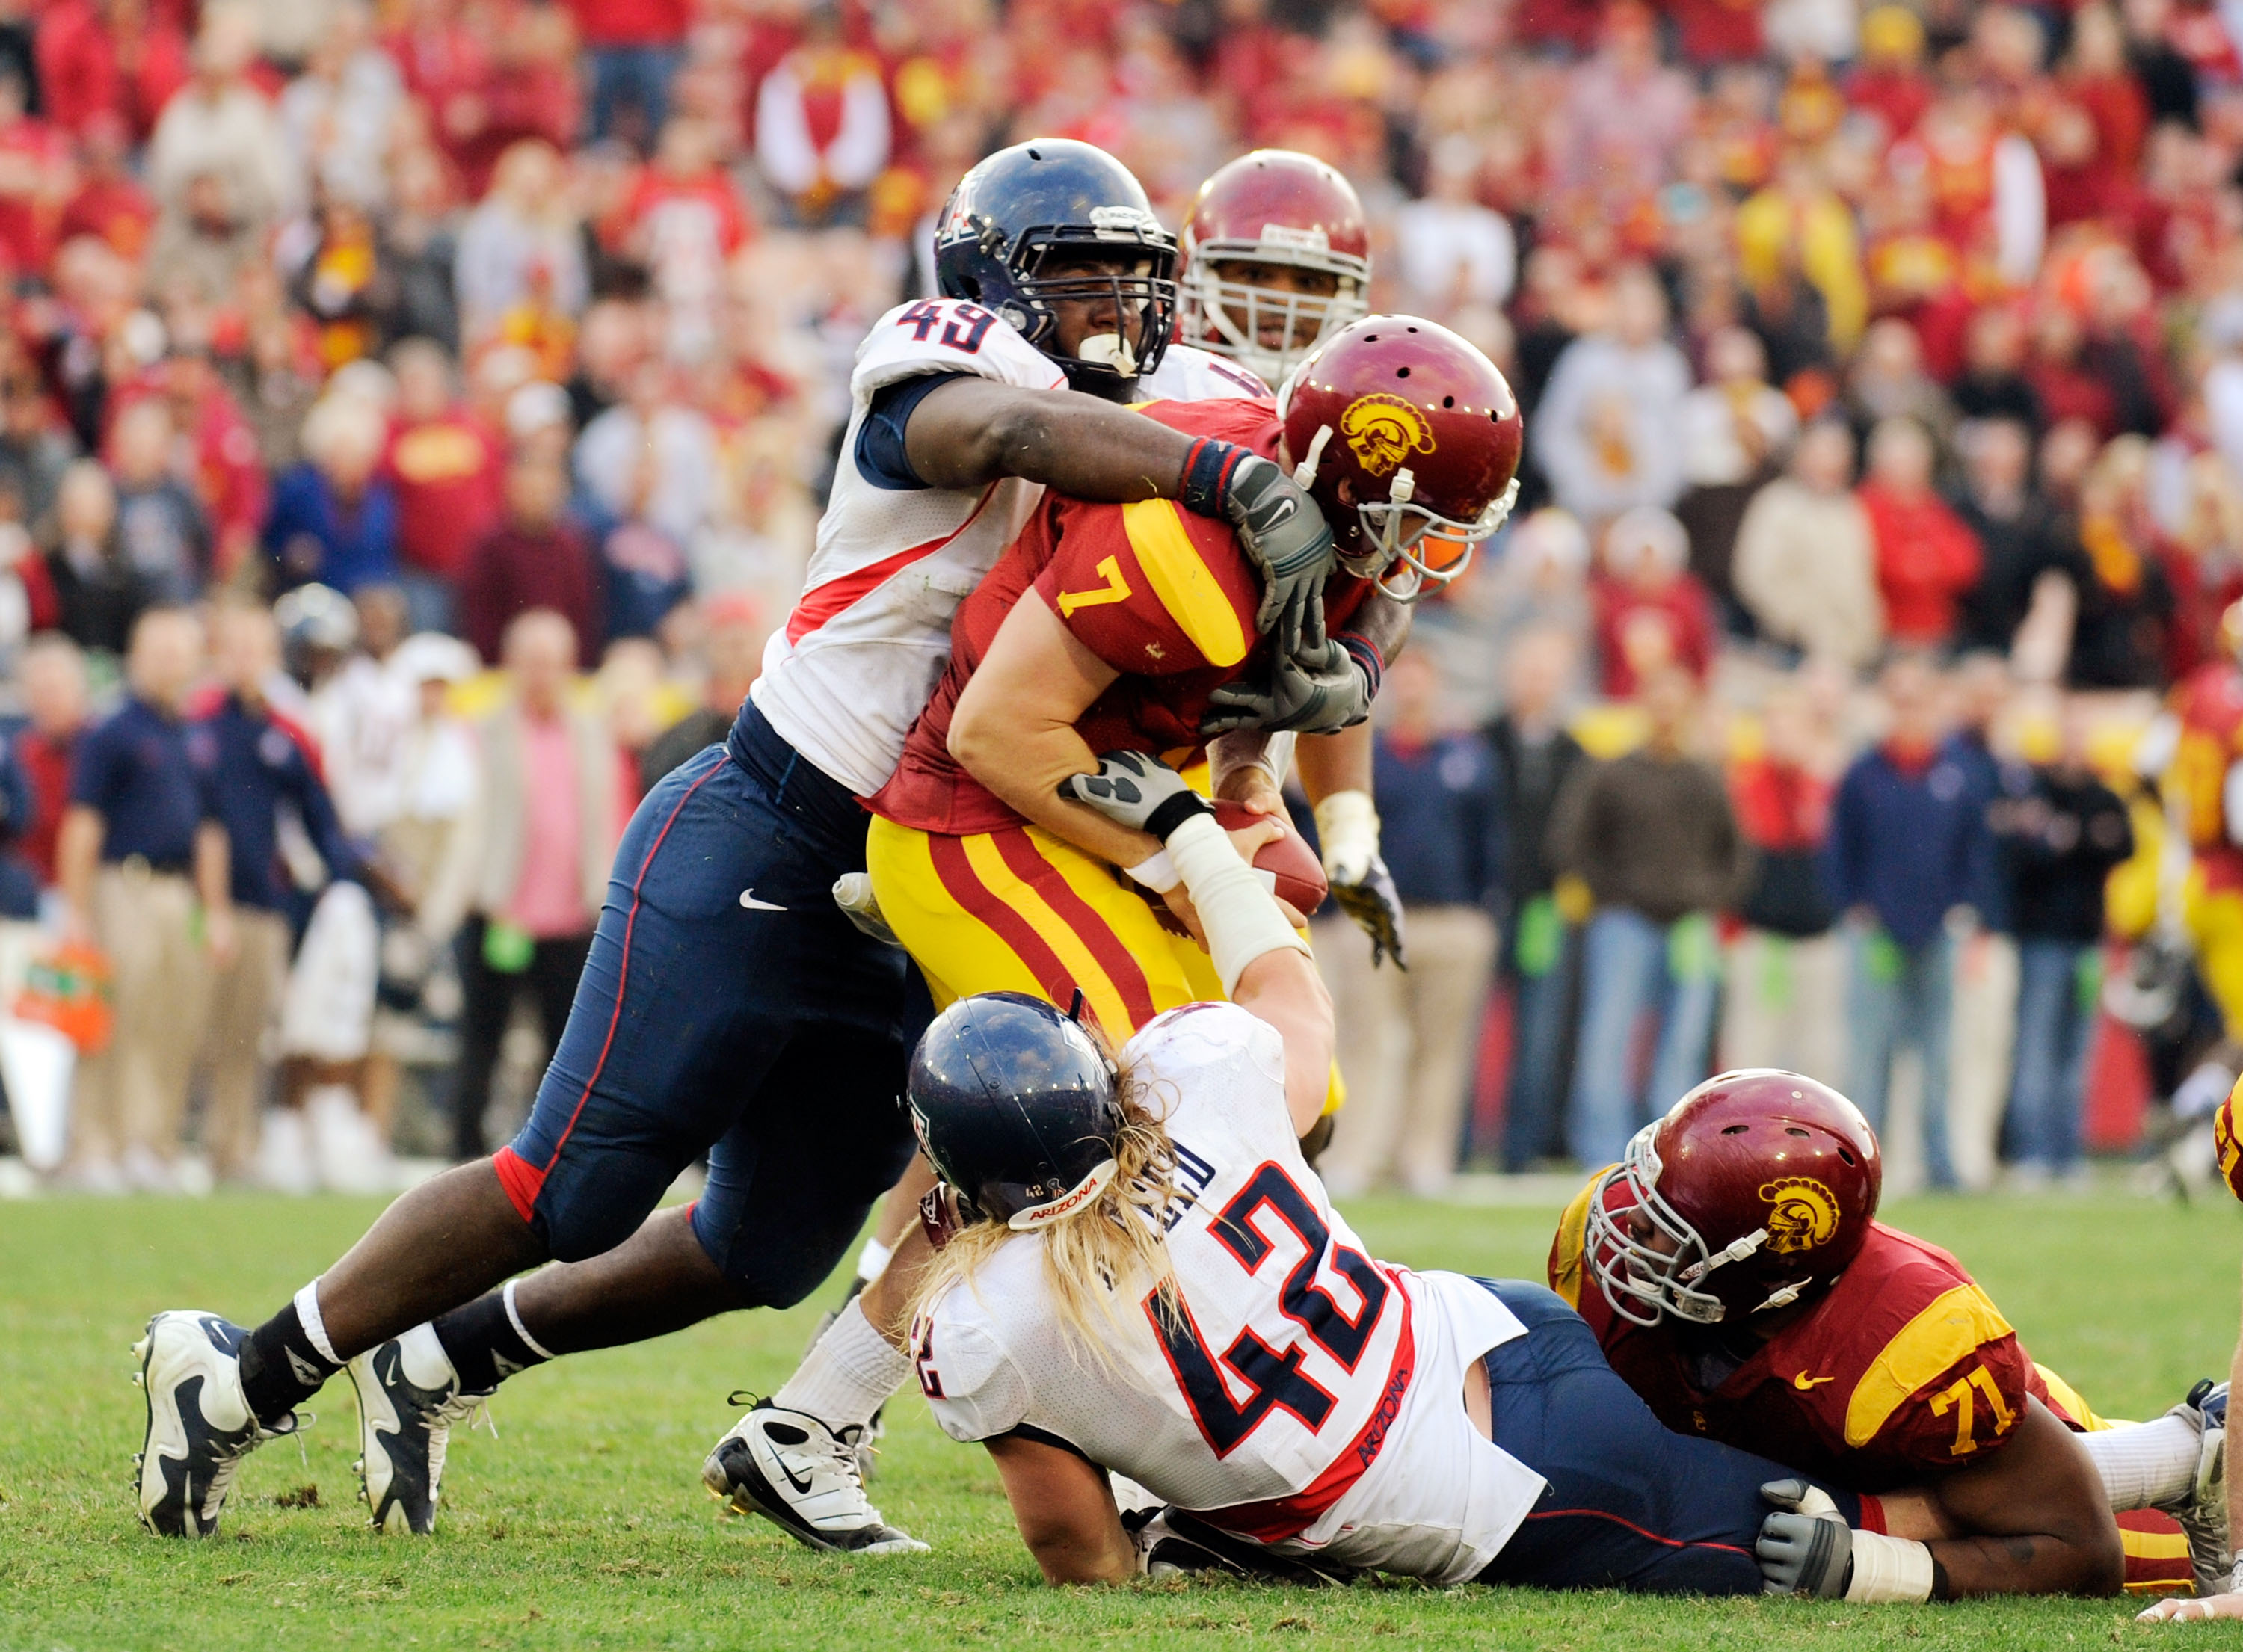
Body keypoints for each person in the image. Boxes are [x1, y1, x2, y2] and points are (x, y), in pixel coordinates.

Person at [130, 138, 1344, 1551]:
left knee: (761, 1252)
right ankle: (238, 1372)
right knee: (568, 1188)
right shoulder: (953, 363)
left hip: (915, 869)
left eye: (1133, 283)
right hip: (771, 820)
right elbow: (1004, 437)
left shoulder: (1128, 431)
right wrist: (1219, 475)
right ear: (995, 284)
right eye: (1080, 279)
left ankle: (444, 1356)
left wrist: (1298, 686)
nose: (1114, 314)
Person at [904, 753, 1870, 1597]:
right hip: (1491, 1323)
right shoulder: (1187, 1078)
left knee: (1857, 1526)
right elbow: (1286, 987)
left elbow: (1086, 1555)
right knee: (1813, 1431)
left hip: (1500, 1478)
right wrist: (1193, 839)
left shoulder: (988, 1320)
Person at [1548, 1069, 2220, 1597]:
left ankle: (2199, 1459)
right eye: (1648, 1190)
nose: (1630, 1226)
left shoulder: (1910, 1344)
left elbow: (2082, 1547)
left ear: (1764, 1264)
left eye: (1669, 1221)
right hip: (1846, 1475)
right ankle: (2185, 1449)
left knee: (2159, 1541)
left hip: (2036, 1462)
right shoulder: (1604, 1236)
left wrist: (1875, 1567)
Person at [419, 608, 616, 1162]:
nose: (542, 673)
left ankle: (555, 1154)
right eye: (532, 661)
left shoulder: (589, 732)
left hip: (570, 918)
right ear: (510, 665)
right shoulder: (483, 731)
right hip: (502, 910)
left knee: (567, 1049)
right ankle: (464, 1154)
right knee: (484, 1041)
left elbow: (603, 818)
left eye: (553, 662)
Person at [189, 600, 366, 1187]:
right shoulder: (195, 721)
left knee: (247, 1035)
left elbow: (319, 813)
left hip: (262, 902)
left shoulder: (283, 733)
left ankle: (234, 1147)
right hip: (196, 900)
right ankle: (160, 1143)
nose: (246, 660)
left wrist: (342, 881)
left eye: (257, 649)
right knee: (185, 1030)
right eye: (236, 647)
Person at [1316, 650, 1504, 1198]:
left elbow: (1490, 839)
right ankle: (1355, 1156)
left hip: (1451, 918)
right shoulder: (1363, 752)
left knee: (1440, 1047)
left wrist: (1484, 912)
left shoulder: (1467, 758)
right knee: (1363, 1041)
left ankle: (1425, 1158)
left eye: (1425, 682)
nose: (1415, 693)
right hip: (1374, 917)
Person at [55, 607, 231, 1192]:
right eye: (160, 650)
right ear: (136, 655)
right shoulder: (113, 731)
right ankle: (96, 1145)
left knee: (172, 1023)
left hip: (179, 893)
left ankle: (151, 1144)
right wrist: (76, 910)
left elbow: (209, 830)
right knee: (114, 1021)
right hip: (122, 887)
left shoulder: (192, 733)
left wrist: (216, 909)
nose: (171, 662)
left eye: (180, 651)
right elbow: (82, 823)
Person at [1548, 665, 1750, 1168]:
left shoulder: (1705, 777)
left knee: (1683, 1045)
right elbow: (1570, 843)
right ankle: (1601, 1150)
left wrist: (1708, 898)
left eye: (1675, 702)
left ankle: (1671, 1151)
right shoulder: (1610, 771)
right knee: (1607, 1039)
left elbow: (1738, 852)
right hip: (1623, 923)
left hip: (1689, 926)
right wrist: (1613, 895)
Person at [1826, 653, 1988, 1189]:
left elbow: (1973, 849)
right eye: (1899, 698)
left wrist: (1965, 910)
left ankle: (1940, 1162)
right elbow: (1840, 847)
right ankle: (1865, 1170)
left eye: (1918, 698)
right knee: (1870, 1055)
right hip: (1875, 933)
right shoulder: (1864, 772)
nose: (1909, 710)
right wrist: (1855, 907)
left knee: (1940, 1054)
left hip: (1938, 930)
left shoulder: (1955, 772)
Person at [2002, 697, 2134, 1181]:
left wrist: (2068, 839)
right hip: (2041, 940)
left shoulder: (2104, 794)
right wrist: (2080, 840)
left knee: (2077, 1053)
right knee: (2035, 1048)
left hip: (2086, 943)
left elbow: (2121, 844)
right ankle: (2032, 1153)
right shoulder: (2036, 790)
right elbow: (2028, 851)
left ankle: (2068, 1154)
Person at [1485, 626, 1587, 1171]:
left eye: (1546, 674)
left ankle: (1521, 1150)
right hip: (1487, 900)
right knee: (1470, 1032)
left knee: (1540, 1036)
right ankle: (1458, 1146)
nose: (1536, 683)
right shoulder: (1482, 741)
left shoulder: (1576, 754)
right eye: (1528, 671)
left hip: (1544, 909)